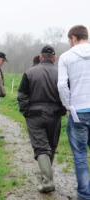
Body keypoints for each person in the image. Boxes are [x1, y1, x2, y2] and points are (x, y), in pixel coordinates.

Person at [17, 45, 66, 193]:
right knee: (51, 145)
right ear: (54, 58)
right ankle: (47, 176)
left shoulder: (29, 72)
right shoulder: (61, 74)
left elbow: (21, 95)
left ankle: (47, 181)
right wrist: (62, 110)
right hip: (55, 114)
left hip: (35, 114)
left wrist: (26, 111)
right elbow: (66, 93)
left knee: (41, 147)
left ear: (40, 57)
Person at [58, 25, 90, 200]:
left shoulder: (66, 57)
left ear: (73, 38)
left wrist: (68, 106)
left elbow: (62, 85)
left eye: (69, 40)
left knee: (80, 155)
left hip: (78, 111)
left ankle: (85, 195)